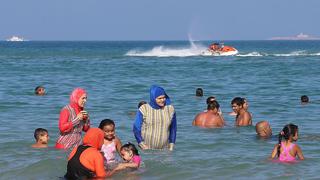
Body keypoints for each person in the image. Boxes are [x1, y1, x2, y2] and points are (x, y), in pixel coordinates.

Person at [133, 85, 177, 151]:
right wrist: (141, 143)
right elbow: (136, 128)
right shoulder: (144, 109)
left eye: (164, 97)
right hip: (146, 149)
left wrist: (171, 146)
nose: (162, 100)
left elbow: (173, 128)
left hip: (164, 149)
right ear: (153, 98)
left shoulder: (170, 109)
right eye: (159, 98)